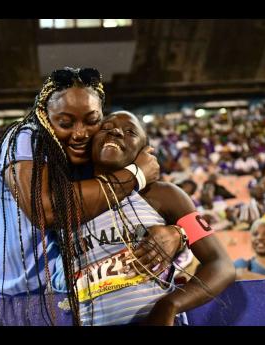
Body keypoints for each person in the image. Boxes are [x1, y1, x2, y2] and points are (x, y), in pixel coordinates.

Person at [0, 67, 182, 325]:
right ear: (45, 117)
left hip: (44, 301)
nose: (80, 133)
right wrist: (136, 174)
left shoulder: (96, 157)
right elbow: (44, 211)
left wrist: (178, 235)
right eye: (65, 123)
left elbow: (153, 210)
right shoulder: (25, 137)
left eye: (91, 121)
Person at [51, 111, 235, 326]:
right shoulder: (69, 202)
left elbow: (221, 264)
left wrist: (169, 306)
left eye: (130, 132)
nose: (117, 132)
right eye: (106, 127)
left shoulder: (164, 195)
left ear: (144, 151)